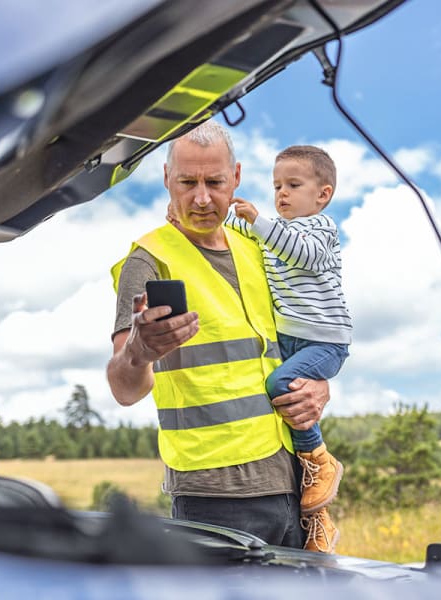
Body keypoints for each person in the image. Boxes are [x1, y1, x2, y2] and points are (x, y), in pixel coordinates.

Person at [106, 121, 331, 550]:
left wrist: (318, 386)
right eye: (188, 182)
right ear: (167, 179)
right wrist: (138, 351)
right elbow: (123, 388)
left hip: (293, 479)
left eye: (215, 182)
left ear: (238, 178)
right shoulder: (146, 262)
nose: (203, 197)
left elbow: (296, 338)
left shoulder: (259, 248)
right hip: (213, 494)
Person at [224, 145, 351, 553]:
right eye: (277, 185)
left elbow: (303, 254)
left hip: (324, 339)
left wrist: (257, 220)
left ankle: (320, 459)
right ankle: (318, 519)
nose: (281, 194)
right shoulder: (271, 233)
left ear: (322, 194)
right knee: (286, 412)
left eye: (293, 185)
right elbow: (232, 229)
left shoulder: (319, 230)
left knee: (280, 383)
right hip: (290, 338)